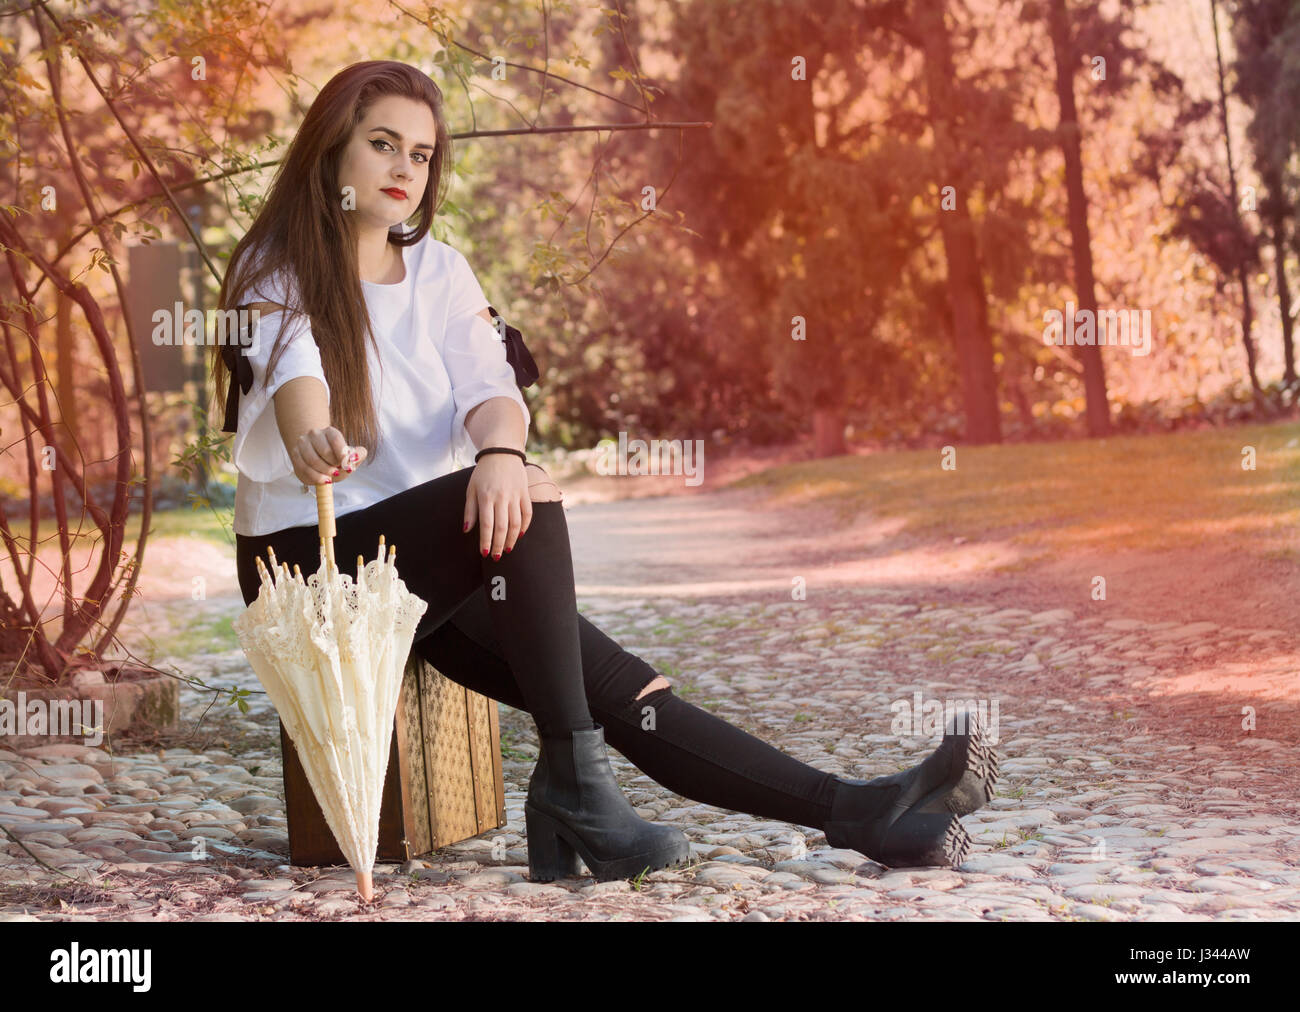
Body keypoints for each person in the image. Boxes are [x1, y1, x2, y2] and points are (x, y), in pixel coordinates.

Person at [211, 60, 999, 884]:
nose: (406, 167)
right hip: (311, 559)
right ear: (331, 149)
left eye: (421, 152)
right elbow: (298, 381)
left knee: (625, 691)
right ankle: (573, 795)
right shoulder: (276, 269)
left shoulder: (440, 271)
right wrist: (315, 440)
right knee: (536, 506)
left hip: (425, 566)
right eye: (382, 145)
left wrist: (502, 454)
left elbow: (494, 391)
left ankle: (860, 812)